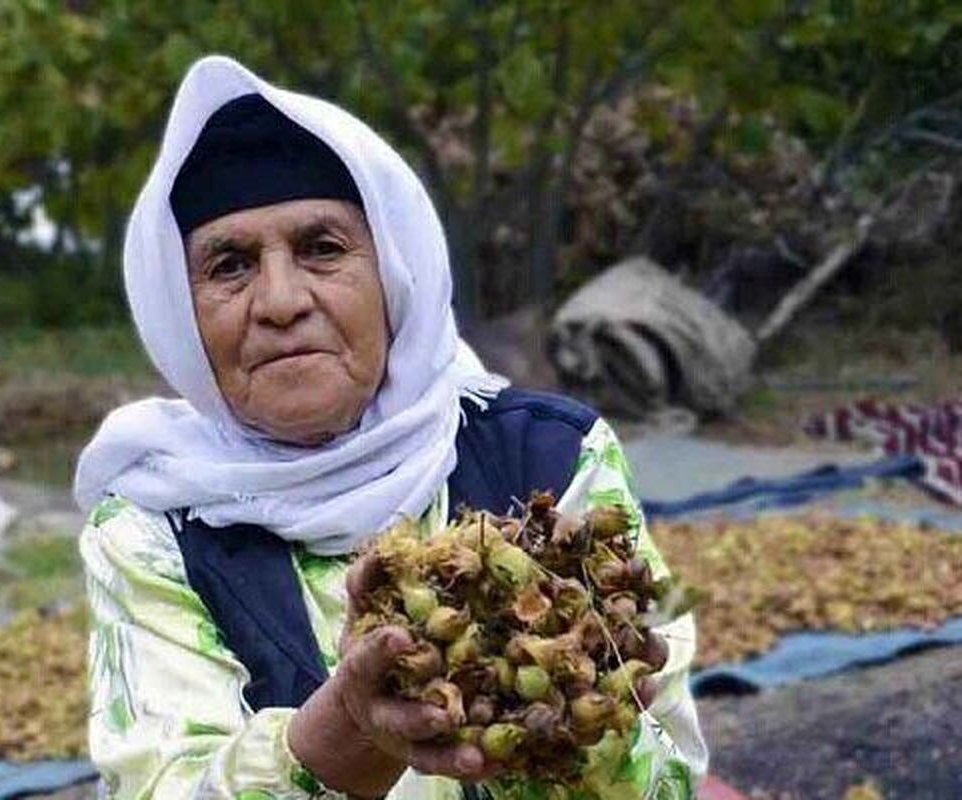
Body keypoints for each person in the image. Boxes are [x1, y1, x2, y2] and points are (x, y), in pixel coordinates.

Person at [74, 55, 707, 800]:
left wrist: (571, 708)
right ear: (179, 313)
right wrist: (341, 733)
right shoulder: (153, 527)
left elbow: (669, 773)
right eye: (230, 265)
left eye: (322, 248)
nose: (280, 301)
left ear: (396, 275)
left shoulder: (554, 456)